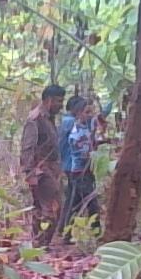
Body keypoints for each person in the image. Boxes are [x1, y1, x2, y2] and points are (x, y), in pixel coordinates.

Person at [20, 84, 66, 246]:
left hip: (51, 169)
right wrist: (30, 173)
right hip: (41, 170)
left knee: (45, 207)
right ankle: (40, 244)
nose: (61, 105)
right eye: (59, 101)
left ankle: (38, 244)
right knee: (51, 208)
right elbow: (28, 147)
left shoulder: (48, 118)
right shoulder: (35, 119)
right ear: (49, 100)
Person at [57, 95, 100, 242]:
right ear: (78, 111)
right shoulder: (71, 125)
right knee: (89, 200)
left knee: (74, 200)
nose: (90, 115)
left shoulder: (75, 124)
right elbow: (78, 148)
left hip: (75, 168)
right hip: (77, 168)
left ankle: (65, 232)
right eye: (86, 111)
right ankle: (96, 232)